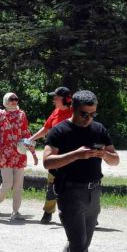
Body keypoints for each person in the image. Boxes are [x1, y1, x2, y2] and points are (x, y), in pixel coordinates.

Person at [43, 90, 119, 252]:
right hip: (70, 192)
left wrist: (105, 154)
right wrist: (76, 154)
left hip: (94, 192)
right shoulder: (59, 131)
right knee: (79, 245)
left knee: (83, 241)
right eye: (84, 114)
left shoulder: (99, 129)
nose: (89, 118)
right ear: (73, 109)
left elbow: (116, 160)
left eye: (93, 114)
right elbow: (47, 161)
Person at [30, 86, 75, 224]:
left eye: (56, 97)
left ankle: (84, 213)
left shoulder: (76, 112)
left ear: (65, 99)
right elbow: (46, 128)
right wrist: (32, 139)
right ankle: (48, 212)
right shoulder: (55, 112)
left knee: (76, 186)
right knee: (52, 184)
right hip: (55, 156)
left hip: (73, 156)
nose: (54, 99)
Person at [0, 93, 38, 220]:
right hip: (5, 154)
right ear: (6, 101)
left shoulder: (22, 114)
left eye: (16, 99)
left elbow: (26, 134)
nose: (14, 101)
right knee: (7, 183)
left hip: (20, 153)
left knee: (18, 185)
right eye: (11, 99)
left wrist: (33, 154)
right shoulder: (1, 115)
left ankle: (15, 211)